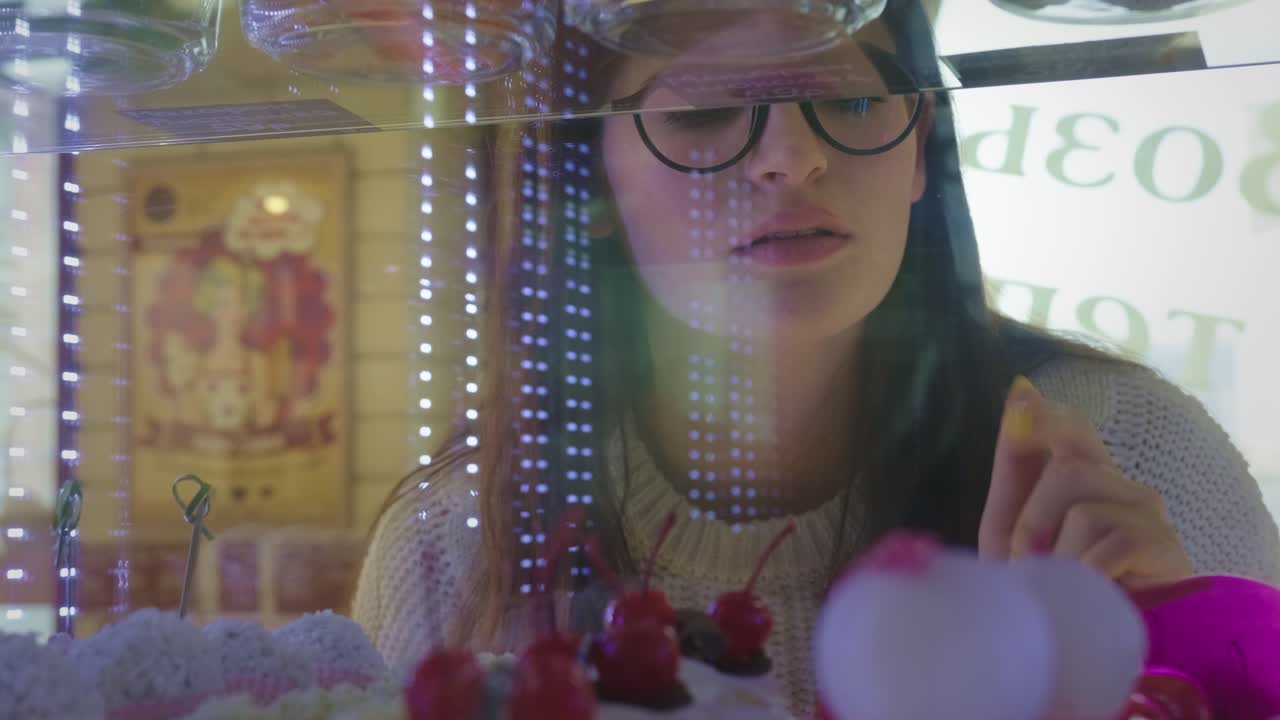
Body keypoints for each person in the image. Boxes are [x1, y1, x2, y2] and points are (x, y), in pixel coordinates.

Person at [353, 2, 1280, 715]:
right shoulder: (457, 543)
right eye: (709, 113)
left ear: (921, 148)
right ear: (589, 173)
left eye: (853, 98)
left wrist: (1191, 645)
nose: (791, 159)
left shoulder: (1130, 452)